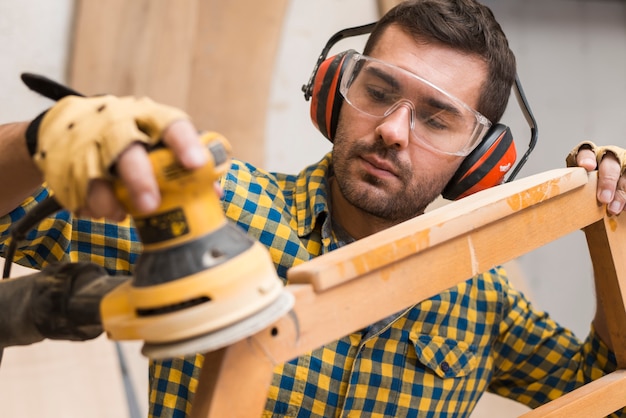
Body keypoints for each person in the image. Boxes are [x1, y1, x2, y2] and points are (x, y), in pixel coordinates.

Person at [0, 0, 625, 417]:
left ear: (479, 160)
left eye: (437, 119)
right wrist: (40, 140)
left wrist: (616, 224)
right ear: (333, 91)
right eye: (378, 91)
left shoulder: (482, 299)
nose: (393, 131)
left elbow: (607, 389)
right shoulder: (209, 206)